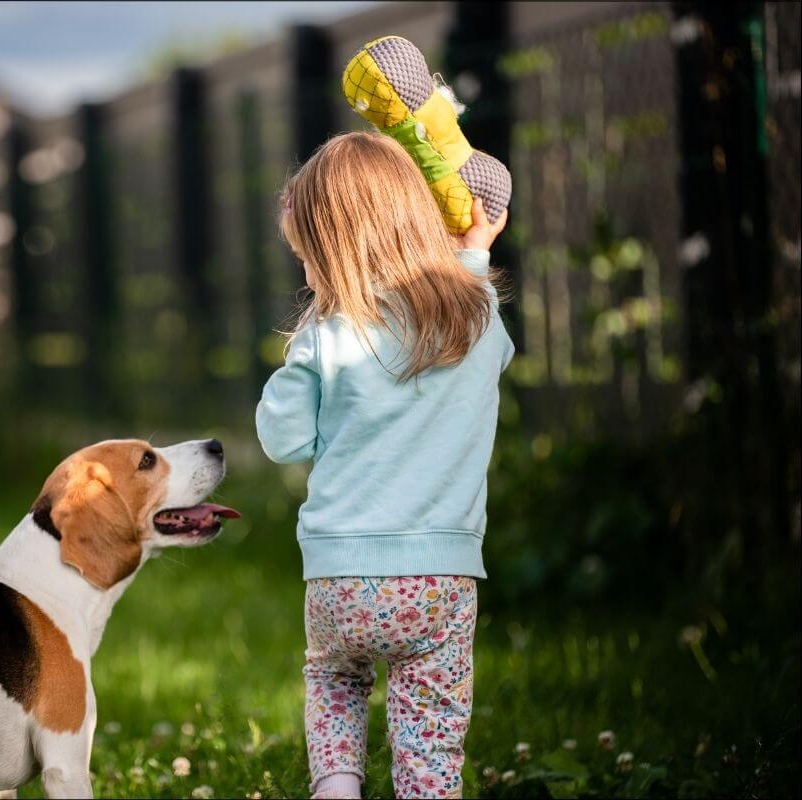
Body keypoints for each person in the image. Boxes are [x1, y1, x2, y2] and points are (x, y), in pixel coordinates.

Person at [255, 131, 512, 799]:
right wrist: (475, 251)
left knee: (336, 683)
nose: (307, 276)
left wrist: (303, 346)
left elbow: (283, 440)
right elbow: (473, 298)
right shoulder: (475, 317)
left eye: (308, 260)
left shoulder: (328, 336)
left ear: (335, 254)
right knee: (430, 730)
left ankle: (336, 789)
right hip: (440, 581)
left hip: (341, 578)